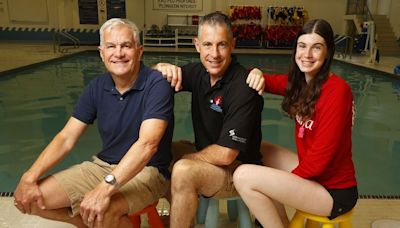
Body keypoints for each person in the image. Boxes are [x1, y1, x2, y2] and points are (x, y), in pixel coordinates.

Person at [13, 18, 174, 228]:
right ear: (101, 52)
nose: (118, 53)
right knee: (30, 200)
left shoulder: (156, 84)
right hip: (102, 166)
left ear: (139, 50)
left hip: (148, 170)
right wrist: (29, 176)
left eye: (126, 46)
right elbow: (66, 137)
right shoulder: (97, 87)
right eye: (111, 46)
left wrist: (103, 189)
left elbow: (147, 145)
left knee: (104, 211)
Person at [233, 19, 358, 228]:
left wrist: (282, 182)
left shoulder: (337, 91)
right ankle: (279, 223)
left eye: (316, 47)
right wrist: (255, 72)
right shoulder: (302, 83)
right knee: (258, 150)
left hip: (334, 192)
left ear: (328, 52)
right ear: (296, 49)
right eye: (302, 46)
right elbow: (268, 81)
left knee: (244, 176)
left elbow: (320, 158)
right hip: (315, 176)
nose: (307, 55)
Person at [153, 12, 263, 228]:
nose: (214, 53)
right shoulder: (198, 73)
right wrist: (160, 68)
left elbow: (226, 154)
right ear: (197, 45)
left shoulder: (244, 86)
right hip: (209, 159)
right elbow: (151, 82)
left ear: (233, 44)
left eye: (221, 45)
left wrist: (187, 160)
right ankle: (182, 213)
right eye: (208, 44)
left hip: (238, 170)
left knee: (182, 169)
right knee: (157, 149)